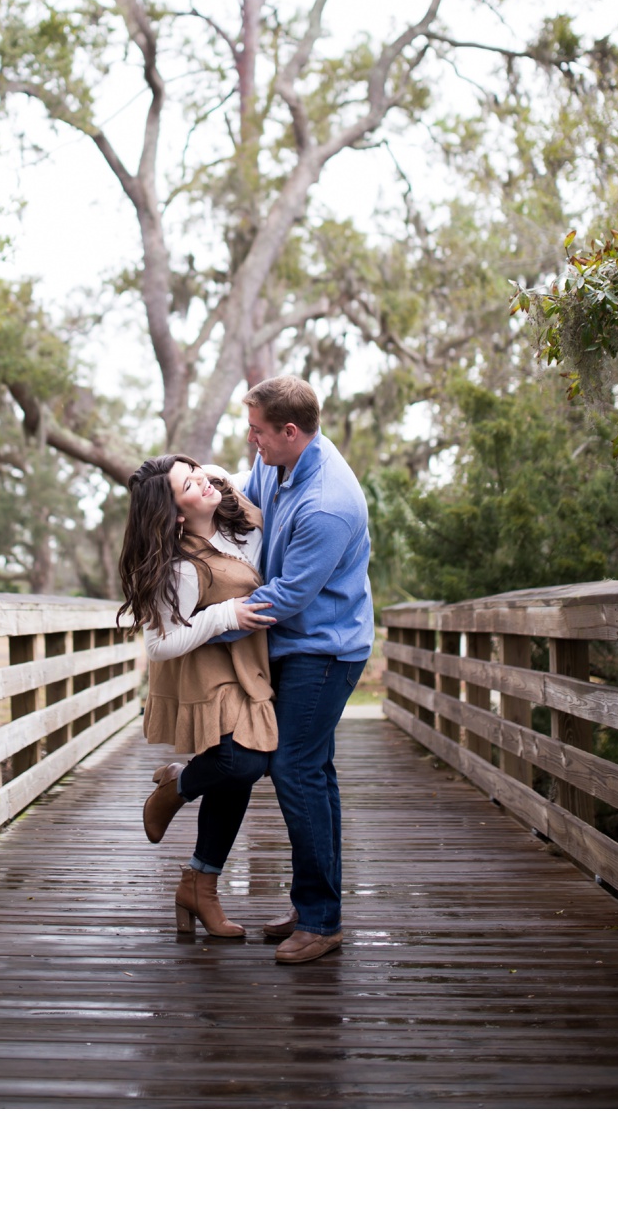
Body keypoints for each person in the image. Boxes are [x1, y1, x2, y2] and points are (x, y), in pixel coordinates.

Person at [232, 375, 375, 965]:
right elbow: (246, 495)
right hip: (299, 643)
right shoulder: (278, 461)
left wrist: (212, 623)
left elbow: (287, 596)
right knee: (314, 772)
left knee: (293, 768)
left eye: (259, 431)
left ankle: (321, 922)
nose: (252, 440)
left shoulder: (328, 504)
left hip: (326, 650)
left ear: (291, 432)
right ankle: (316, 905)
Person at [118, 456, 278, 940]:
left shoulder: (233, 520)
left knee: (239, 779)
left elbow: (220, 474)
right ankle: (180, 786)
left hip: (247, 669)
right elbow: (157, 643)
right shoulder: (180, 568)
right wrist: (225, 613)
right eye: (190, 484)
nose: (205, 481)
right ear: (177, 515)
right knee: (243, 765)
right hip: (210, 677)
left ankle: (198, 886)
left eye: (199, 474)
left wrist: (201, 473)